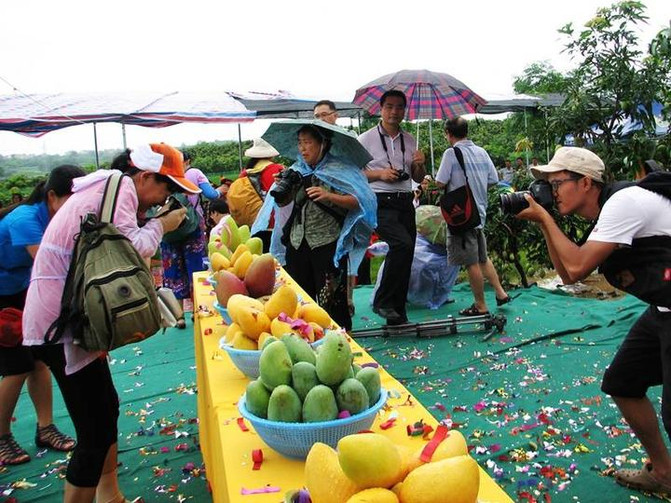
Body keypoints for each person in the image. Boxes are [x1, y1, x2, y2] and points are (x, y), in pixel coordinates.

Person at [21, 143, 196, 503]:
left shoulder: (111, 188)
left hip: (72, 315)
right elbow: (132, 248)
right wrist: (164, 224)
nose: (165, 198)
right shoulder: (119, 190)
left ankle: (110, 494)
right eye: (167, 189)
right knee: (94, 429)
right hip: (61, 321)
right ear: (146, 176)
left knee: (105, 408)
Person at [518, 146, 671, 497]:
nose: (550, 192)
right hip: (664, 308)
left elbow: (574, 266)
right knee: (623, 380)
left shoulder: (623, 203)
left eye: (556, 182)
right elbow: (570, 275)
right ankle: (664, 473)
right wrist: (545, 223)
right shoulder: (611, 211)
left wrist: (544, 218)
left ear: (586, 182)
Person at [0, 165, 84, 466]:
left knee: (39, 360)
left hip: (24, 290)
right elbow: (49, 266)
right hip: (4, 295)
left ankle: (45, 427)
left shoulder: (54, 215)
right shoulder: (25, 220)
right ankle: (2, 437)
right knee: (16, 365)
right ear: (51, 195)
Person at [268, 124, 376, 331]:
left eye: (308, 142)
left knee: (332, 298)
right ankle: (305, 336)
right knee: (301, 299)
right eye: (300, 143)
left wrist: (329, 196)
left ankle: (340, 339)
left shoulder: (341, 170)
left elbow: (361, 201)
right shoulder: (296, 170)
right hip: (298, 241)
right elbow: (283, 205)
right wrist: (282, 188)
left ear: (323, 143)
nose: (302, 148)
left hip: (328, 241)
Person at [358, 90, 426, 325]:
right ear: (380, 108)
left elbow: (418, 176)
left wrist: (420, 164)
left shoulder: (410, 139)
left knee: (407, 253)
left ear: (404, 110)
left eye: (399, 107)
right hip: (380, 201)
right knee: (401, 244)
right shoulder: (365, 139)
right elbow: (356, 175)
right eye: (389, 106)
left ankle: (397, 315)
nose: (394, 111)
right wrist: (380, 174)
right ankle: (383, 301)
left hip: (405, 200)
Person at [435, 117, 510, 316]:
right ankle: (501, 293)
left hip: (462, 215)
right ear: (466, 131)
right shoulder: (482, 152)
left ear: (448, 134)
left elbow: (441, 182)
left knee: (471, 262)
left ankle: (480, 305)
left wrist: (430, 180)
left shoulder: (451, 153)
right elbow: (494, 180)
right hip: (479, 212)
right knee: (482, 257)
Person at [161, 151, 224, 325]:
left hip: (168, 230)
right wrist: (220, 191)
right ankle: (197, 311)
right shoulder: (194, 173)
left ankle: (178, 315)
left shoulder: (165, 177)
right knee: (195, 269)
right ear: (188, 161)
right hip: (192, 228)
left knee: (173, 271)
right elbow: (211, 194)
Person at [228, 138, 284, 251]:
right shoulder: (277, 170)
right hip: (275, 226)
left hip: (254, 226)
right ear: (271, 154)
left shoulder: (246, 172)